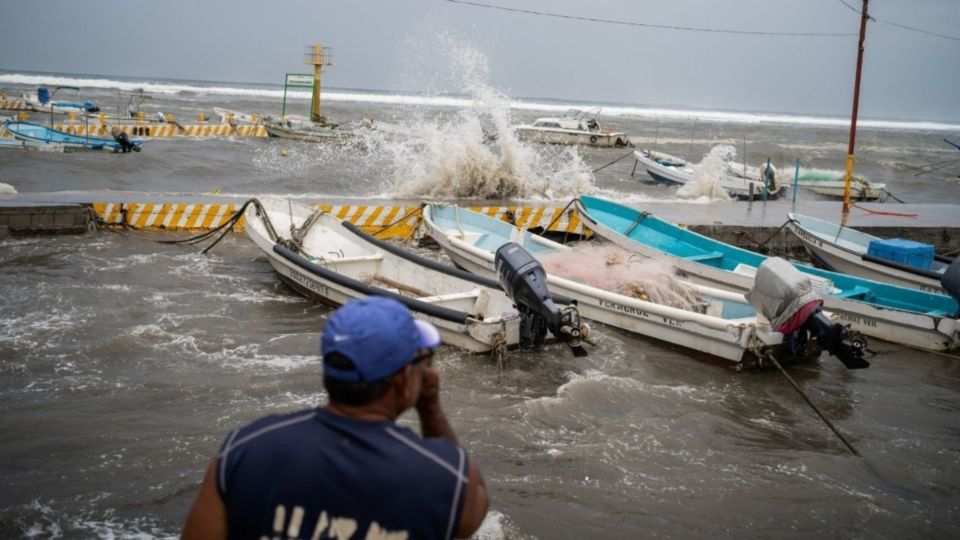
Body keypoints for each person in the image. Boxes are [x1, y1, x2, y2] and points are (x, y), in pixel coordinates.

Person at [182, 296, 488, 540]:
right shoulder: (442, 476)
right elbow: (470, 512)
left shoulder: (243, 451)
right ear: (403, 381)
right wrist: (429, 408)